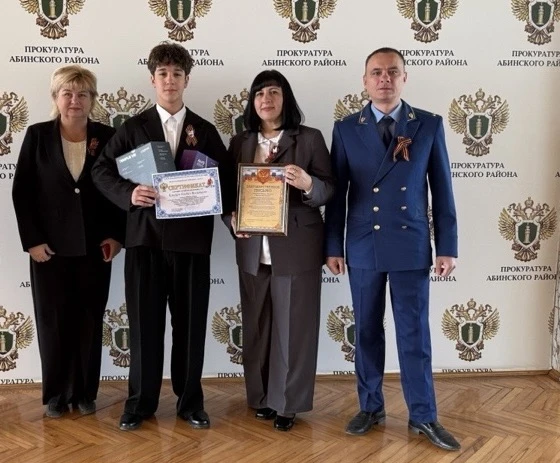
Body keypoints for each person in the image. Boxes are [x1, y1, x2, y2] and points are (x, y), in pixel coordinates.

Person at [91, 42, 234, 431]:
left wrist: (228, 209)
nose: (170, 80)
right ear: (152, 79)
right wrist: (128, 193)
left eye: (177, 74)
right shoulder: (132, 128)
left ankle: (190, 403)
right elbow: (101, 171)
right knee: (144, 327)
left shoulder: (205, 130)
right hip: (144, 242)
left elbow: (225, 182)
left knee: (190, 327)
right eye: (163, 74)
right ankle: (139, 404)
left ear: (187, 80)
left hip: (191, 244)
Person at [324, 47, 460, 451]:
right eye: (377, 72)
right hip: (363, 243)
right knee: (366, 330)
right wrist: (333, 245)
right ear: (365, 81)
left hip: (411, 243)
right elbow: (337, 195)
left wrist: (447, 246)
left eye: (392, 72)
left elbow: (443, 190)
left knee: (414, 333)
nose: (384, 78)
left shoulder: (429, 124)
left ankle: (424, 414)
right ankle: (371, 407)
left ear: (404, 77)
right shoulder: (345, 129)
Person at [12, 65, 124, 418]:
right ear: (56, 98)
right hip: (49, 250)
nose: (75, 100)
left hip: (95, 247)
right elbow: (22, 192)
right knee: (53, 321)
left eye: (82, 94)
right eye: (67, 93)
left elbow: (118, 190)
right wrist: (32, 241)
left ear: (92, 99)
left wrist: (117, 236)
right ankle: (56, 395)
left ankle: (85, 392)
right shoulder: (37, 135)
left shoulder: (108, 136)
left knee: (90, 319)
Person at [226, 70, 334, 431]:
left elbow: (329, 189)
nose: (266, 99)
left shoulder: (310, 138)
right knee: (257, 328)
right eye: (259, 94)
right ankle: (261, 398)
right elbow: (227, 195)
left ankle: (287, 404)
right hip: (252, 248)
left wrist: (308, 183)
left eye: (273, 92)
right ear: (252, 102)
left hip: (297, 247)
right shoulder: (240, 142)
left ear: (285, 98)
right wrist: (232, 220)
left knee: (294, 329)